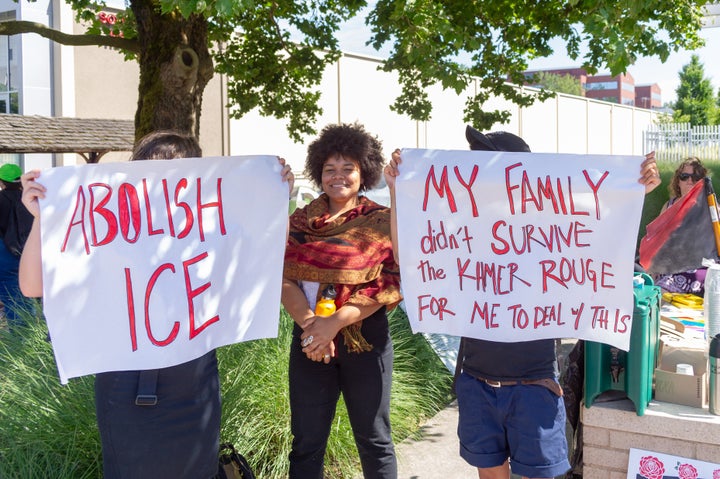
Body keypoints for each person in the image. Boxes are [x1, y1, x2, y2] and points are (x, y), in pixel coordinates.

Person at [383, 126, 661, 479]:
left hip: (534, 387)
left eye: (486, 159)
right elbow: (410, 253)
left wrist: (634, 192)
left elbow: (605, 238)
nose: (476, 167)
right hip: (478, 381)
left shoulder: (551, 223)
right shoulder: (461, 224)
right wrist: (398, 192)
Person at [18, 130, 294, 479]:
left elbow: (264, 257)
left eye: (177, 169)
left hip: (193, 383)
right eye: (154, 168)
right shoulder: (106, 226)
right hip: (124, 385)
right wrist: (42, 218)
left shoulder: (208, 226)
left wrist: (275, 195)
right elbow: (31, 286)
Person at [281, 122, 402, 479]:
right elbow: (282, 277)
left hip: (366, 341)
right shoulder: (298, 222)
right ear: (319, 173)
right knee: (305, 443)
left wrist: (333, 323)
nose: (338, 176)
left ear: (363, 172)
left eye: (347, 168)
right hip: (308, 341)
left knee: (375, 440)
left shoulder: (381, 219)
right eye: (329, 169)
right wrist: (312, 328)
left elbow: (390, 280)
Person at [653, 157, 709, 294]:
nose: (690, 180)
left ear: (702, 182)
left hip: (698, 265)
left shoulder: (710, 206)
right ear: (678, 181)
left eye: (695, 177)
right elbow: (656, 239)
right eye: (685, 176)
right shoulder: (669, 206)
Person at [0, 163, 35, 330]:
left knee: (10, 293)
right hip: (27, 249)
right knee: (28, 292)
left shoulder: (1, 199)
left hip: (5, 252)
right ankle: (33, 330)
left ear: (2, 182)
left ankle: (19, 336)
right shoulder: (29, 199)